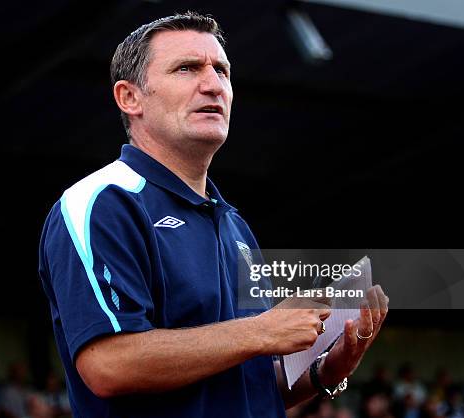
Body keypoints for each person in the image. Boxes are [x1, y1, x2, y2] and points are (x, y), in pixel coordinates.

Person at [38, 11, 389, 418]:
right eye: (187, 69)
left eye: (221, 71)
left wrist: (327, 370)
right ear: (129, 97)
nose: (212, 85)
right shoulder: (103, 203)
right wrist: (261, 331)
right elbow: (108, 365)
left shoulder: (235, 225)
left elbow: (249, 385)